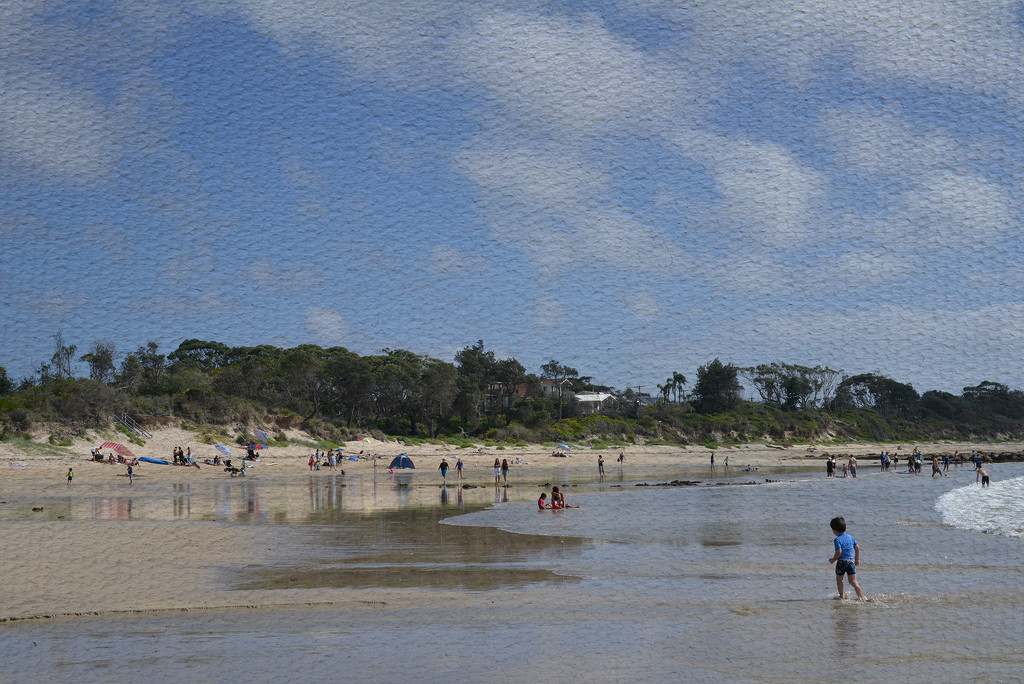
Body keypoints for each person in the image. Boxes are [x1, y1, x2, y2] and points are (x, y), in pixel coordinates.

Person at [828, 516, 866, 600]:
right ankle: (861, 595)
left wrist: (833, 559)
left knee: (840, 579)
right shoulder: (851, 537)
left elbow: (839, 552)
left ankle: (842, 596)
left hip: (841, 562)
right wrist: (857, 559)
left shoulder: (837, 540)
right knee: (853, 581)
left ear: (834, 530)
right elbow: (857, 547)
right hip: (851, 562)